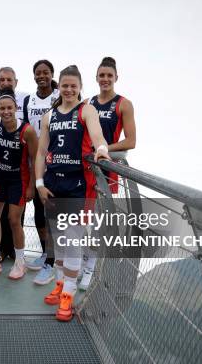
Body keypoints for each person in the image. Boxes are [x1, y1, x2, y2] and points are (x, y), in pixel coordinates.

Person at [35, 65, 110, 322]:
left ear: (79, 87)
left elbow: (98, 135)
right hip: (53, 184)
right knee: (58, 241)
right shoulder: (49, 116)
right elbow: (41, 153)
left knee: (73, 240)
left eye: (73, 85)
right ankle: (59, 284)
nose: (68, 89)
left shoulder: (86, 110)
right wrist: (38, 183)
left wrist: (101, 148)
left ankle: (68, 294)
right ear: (59, 87)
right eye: (64, 85)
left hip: (78, 185)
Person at [78, 56, 136, 290]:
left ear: (116, 78)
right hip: (85, 168)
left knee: (99, 223)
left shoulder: (123, 104)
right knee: (82, 222)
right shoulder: (88, 102)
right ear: (96, 78)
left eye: (109, 76)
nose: (105, 79)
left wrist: (102, 148)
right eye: (101, 75)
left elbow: (130, 141)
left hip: (107, 171)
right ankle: (80, 264)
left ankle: (90, 269)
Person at [0, 93, 38, 279]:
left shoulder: (27, 131)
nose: (6, 111)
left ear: (16, 107)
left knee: (13, 220)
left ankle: (20, 262)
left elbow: (34, 159)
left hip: (18, 179)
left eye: (9, 107)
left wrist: (32, 187)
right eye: (2, 108)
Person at [22, 59, 60, 285]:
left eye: (46, 72)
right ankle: (47, 253)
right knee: (38, 209)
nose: (41, 76)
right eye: (38, 73)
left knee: (53, 210)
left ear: (52, 74)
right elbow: (26, 130)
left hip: (56, 160)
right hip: (35, 160)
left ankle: (53, 261)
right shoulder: (29, 99)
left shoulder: (60, 95)